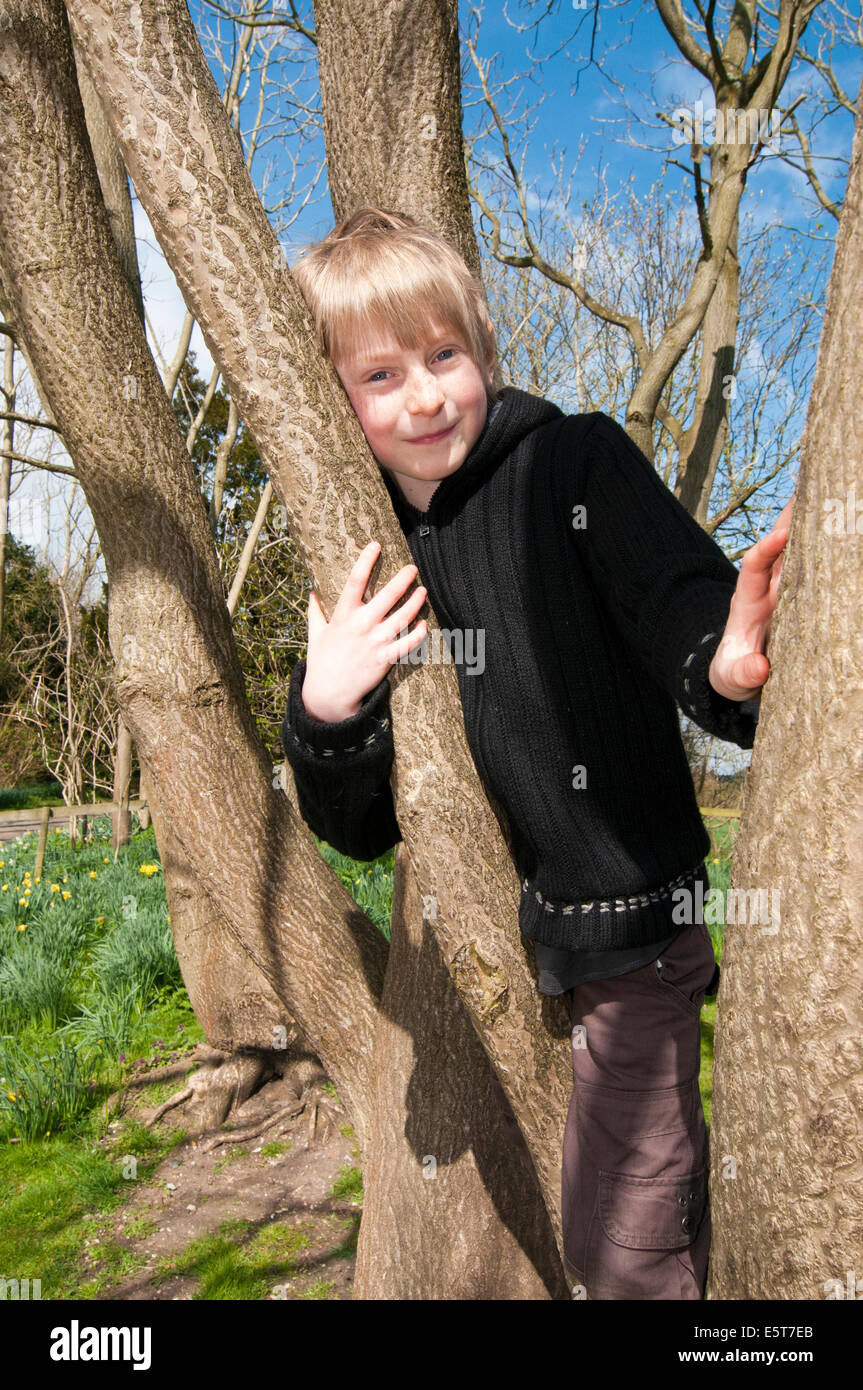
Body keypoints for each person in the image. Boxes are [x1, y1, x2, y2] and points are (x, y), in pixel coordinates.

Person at [281, 207, 792, 1299]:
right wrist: (328, 709)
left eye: (442, 355)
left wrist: (726, 661)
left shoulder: (571, 462)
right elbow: (361, 826)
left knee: (625, 1246)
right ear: (328, 404)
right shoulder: (366, 557)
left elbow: (673, 597)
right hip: (503, 946)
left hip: (626, 929)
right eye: (379, 376)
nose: (423, 395)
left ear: (483, 354)